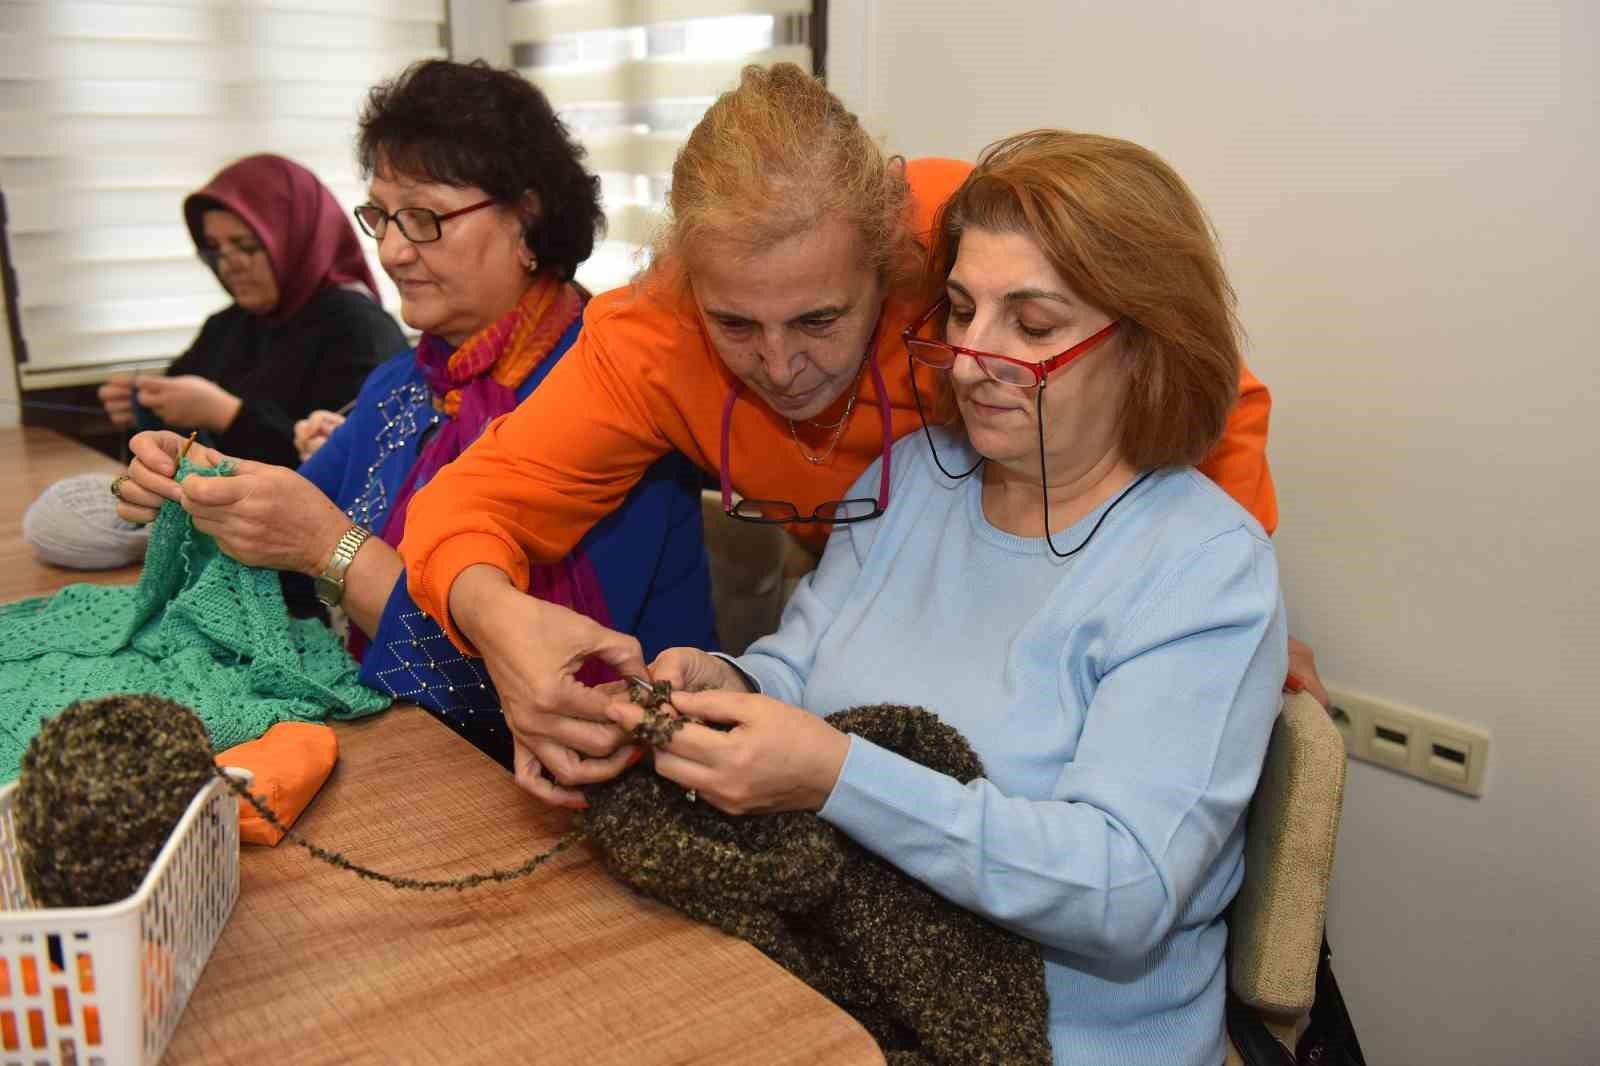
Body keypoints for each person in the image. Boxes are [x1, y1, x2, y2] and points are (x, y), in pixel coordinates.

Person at [395, 63, 1286, 808]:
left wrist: (1199, 622)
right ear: (686, 284)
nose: (782, 367)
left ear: (894, 267)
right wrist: (502, 625)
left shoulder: (959, 242)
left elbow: (1200, 386)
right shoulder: (649, 337)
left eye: (821, 319)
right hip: (869, 610)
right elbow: (463, 508)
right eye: (736, 326)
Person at [609, 129, 1286, 1066]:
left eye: (1032, 327)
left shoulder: (1204, 568)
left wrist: (840, 776)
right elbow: (799, 668)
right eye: (962, 310)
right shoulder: (911, 479)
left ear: (1146, 343)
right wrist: (723, 682)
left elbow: (1125, 893)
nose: (969, 360)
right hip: (841, 991)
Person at [110, 60, 718, 768]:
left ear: (527, 219)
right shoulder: (409, 381)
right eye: (381, 217)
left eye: (424, 218)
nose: (393, 251)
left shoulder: (612, 399)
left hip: (578, 784)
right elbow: (290, 526)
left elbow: (553, 694)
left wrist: (329, 548)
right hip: (409, 749)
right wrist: (201, 486)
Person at [97, 154, 404, 469]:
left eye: (246, 246)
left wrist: (226, 414)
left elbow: (353, 465)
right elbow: (178, 415)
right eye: (214, 249)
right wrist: (145, 404)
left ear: (294, 240)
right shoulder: (229, 324)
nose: (229, 265)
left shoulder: (359, 329)